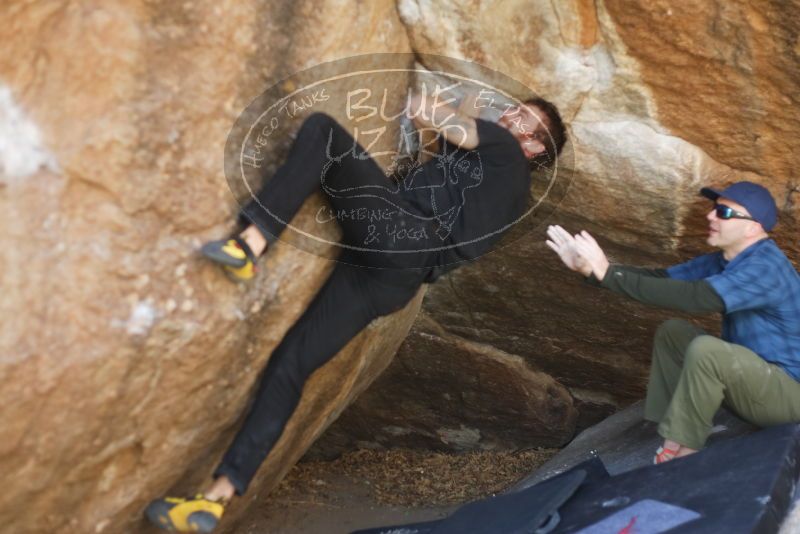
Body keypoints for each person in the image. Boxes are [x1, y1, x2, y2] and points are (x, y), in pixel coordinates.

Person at [145, 91, 567, 532]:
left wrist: (437, 103)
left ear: (535, 148)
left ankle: (250, 244)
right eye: (514, 108)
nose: (510, 114)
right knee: (292, 364)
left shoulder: (504, 150)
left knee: (324, 132)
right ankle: (215, 499)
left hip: (402, 234)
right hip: (394, 280)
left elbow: (429, 114)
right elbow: (443, 151)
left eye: (523, 118)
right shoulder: (503, 187)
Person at [546, 181, 800, 465]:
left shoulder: (766, 267)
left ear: (753, 227)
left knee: (706, 350)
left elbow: (698, 298)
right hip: (756, 385)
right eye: (714, 209)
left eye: (724, 213)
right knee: (674, 332)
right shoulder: (726, 259)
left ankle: (684, 456)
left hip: (790, 397)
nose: (710, 216)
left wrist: (608, 275)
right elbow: (663, 279)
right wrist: (594, 271)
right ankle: (671, 431)